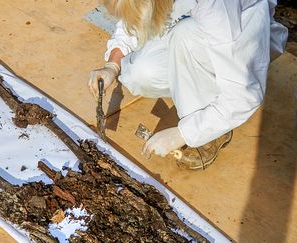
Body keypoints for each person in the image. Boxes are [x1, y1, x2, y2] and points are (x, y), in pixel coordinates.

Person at [88, 0, 288, 170]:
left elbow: (244, 95)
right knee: (139, 72)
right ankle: (197, 83)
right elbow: (136, 13)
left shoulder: (218, 11)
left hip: (242, 41)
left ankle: (209, 125)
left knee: (185, 35)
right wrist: (112, 65)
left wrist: (185, 133)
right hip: (192, 24)